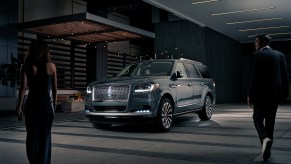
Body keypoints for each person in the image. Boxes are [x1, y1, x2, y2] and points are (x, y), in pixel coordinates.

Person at [247, 33, 289, 160]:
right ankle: (267, 152)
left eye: (256, 41)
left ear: (261, 42)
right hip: (274, 96)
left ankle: (264, 138)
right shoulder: (279, 55)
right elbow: (284, 77)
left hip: (259, 95)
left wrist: (249, 94)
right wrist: (285, 95)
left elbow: (252, 77)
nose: (254, 44)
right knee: (270, 123)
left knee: (257, 119)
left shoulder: (256, 55)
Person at [16, 39, 57, 164]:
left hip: (31, 105)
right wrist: (53, 105)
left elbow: (23, 88)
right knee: (44, 139)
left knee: (31, 137)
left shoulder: (26, 67)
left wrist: (19, 107)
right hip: (45, 106)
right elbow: (55, 89)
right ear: (45, 51)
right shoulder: (52, 66)